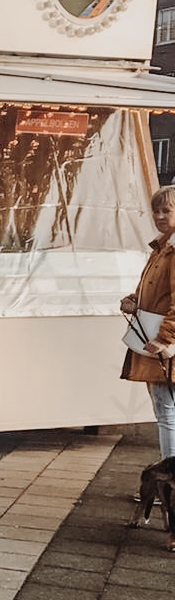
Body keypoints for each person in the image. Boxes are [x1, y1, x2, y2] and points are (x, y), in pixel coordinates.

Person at [120, 183, 175, 459]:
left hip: (163, 345)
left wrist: (164, 338)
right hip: (159, 339)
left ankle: (169, 481)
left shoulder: (172, 250)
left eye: (167, 210)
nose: (160, 216)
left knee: (166, 412)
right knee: (166, 410)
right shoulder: (162, 249)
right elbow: (157, 291)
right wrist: (134, 300)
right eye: (156, 211)